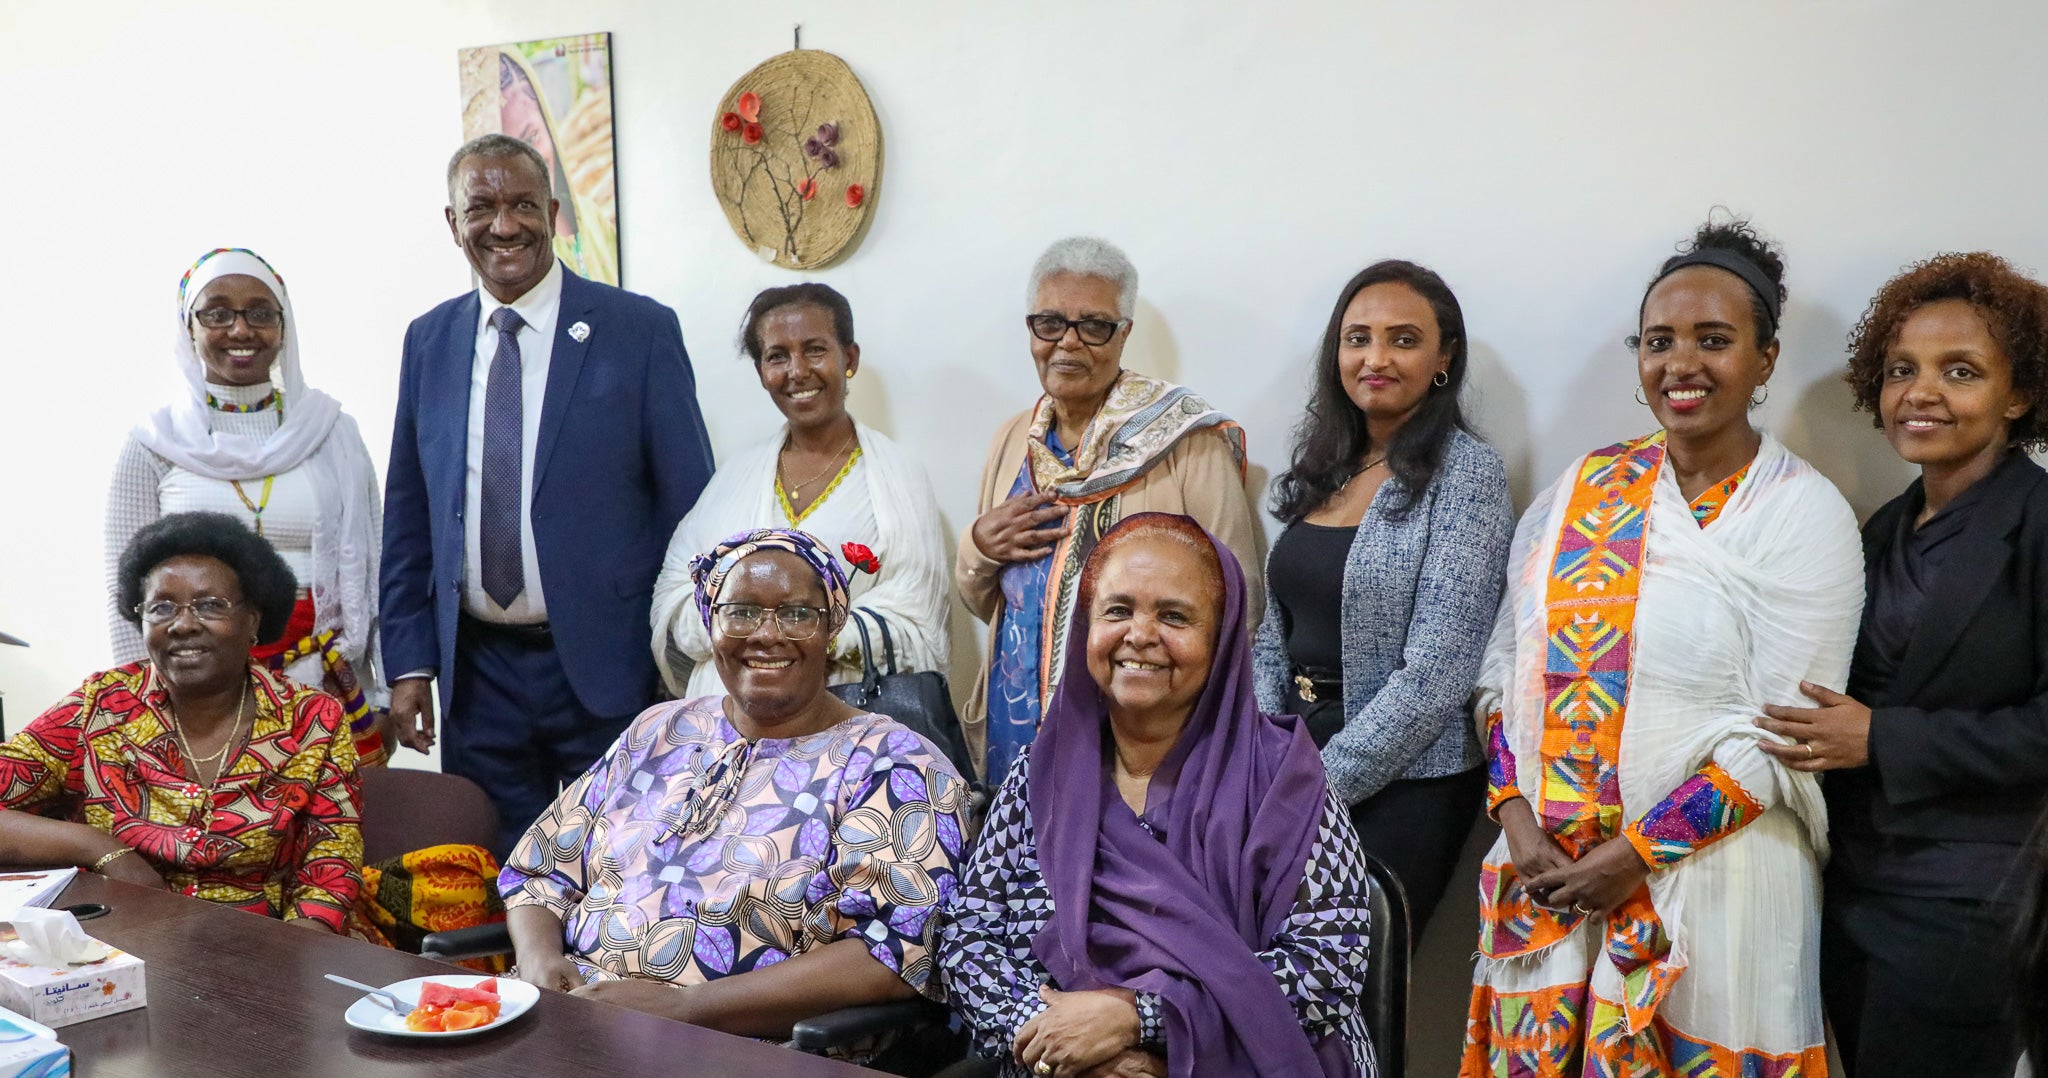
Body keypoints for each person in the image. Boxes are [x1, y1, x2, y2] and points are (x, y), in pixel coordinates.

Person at [1461, 219, 1864, 1075]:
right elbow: (1502, 674)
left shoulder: (1802, 512)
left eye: (1714, 341)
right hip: (1550, 885)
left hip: (1718, 893)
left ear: (1764, 358)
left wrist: (1637, 855)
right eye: (1659, 342)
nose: (1682, 364)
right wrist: (1515, 817)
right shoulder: (1581, 487)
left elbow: (1791, 734)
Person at [501, 529, 968, 1061]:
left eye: (797, 614)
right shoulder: (657, 729)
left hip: (746, 1046)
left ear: (831, 628)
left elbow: (888, 954)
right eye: (741, 612)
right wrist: (539, 961)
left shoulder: (897, 764)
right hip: (571, 1022)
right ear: (712, 623)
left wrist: (683, 1009)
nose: (767, 635)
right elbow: (541, 870)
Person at [944, 513, 1375, 1078]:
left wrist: (1140, 1022)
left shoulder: (1283, 779)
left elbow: (1326, 967)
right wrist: (1068, 1042)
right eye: (1117, 611)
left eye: (1174, 616)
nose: (1140, 635)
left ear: (1220, 639)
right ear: (1087, 627)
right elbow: (970, 939)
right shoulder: (1039, 775)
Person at [1754, 252, 2048, 1077]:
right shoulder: (1879, 529)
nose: (1920, 392)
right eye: (1901, 371)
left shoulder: (2039, 523)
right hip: (1849, 884)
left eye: (1960, 371)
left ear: (2017, 394)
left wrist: (1885, 739)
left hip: (1969, 898)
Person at [381, 133, 714, 855]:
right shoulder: (428, 340)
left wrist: (680, 660)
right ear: (452, 222)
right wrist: (409, 665)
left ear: (554, 212)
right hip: (477, 673)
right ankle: (512, 977)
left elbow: (690, 508)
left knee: (627, 863)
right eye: (483, 207)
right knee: (497, 871)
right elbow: (409, 511)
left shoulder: (639, 330)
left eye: (523, 204)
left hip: (608, 664)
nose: (504, 225)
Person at [1254, 259, 1513, 939]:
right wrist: (1260, 753)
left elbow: (1437, 676)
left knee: (1346, 990)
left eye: (1403, 339)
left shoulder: (1468, 476)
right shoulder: (1326, 465)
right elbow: (1271, 630)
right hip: (1289, 756)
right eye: (1357, 337)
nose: (1375, 357)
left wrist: (1314, 786)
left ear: (1442, 359)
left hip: (1405, 780)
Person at [960, 236, 1263, 785]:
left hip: (1139, 740)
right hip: (1014, 731)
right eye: (1049, 323)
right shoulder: (1012, 440)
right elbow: (986, 600)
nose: (1067, 344)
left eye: (1093, 326)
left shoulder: (1184, 443)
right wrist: (978, 547)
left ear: (1123, 334)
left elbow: (1239, 603)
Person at [0, 512, 365, 935]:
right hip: (119, 944)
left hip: (269, 945)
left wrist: (279, 977)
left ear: (253, 621)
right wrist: (101, 847)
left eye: (211, 605)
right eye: (162, 607)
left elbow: (329, 875)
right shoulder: (100, 705)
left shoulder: (312, 719)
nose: (184, 624)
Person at [107, 248, 389, 766]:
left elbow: (378, 569)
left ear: (284, 327)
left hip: (322, 684)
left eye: (261, 312)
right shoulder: (154, 441)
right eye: (217, 313)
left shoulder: (332, 432)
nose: (241, 330)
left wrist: (386, 693)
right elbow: (125, 592)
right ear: (188, 327)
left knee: (333, 837)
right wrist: (137, 706)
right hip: (195, 697)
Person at [651, 284, 951, 698]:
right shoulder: (730, 481)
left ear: (849, 358)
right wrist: (755, 631)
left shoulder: (899, 479)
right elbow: (675, 597)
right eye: (777, 356)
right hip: (726, 731)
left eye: (814, 350)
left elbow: (916, 618)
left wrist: (797, 635)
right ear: (761, 372)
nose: (797, 371)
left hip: (849, 736)